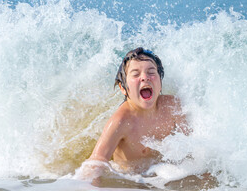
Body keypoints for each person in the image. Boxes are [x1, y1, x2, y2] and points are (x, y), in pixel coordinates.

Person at [80, 47, 190, 180]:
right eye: (136, 74)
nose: (145, 77)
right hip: (131, 181)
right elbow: (97, 161)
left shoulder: (173, 107)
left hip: (166, 177)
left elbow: (194, 146)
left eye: (151, 72)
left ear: (160, 83)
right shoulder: (122, 120)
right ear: (123, 88)